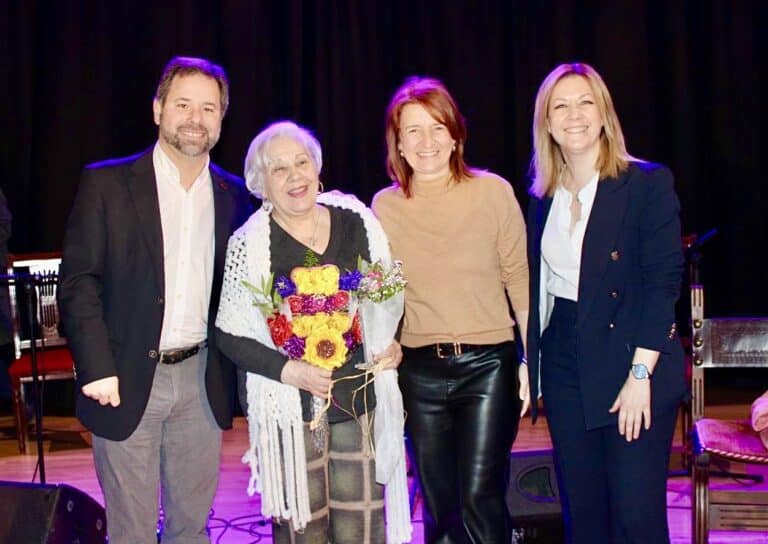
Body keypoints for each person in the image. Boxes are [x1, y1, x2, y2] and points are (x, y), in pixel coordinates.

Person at [58, 56, 252, 543]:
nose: (195, 118)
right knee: (132, 531)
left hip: (201, 382)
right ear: (157, 109)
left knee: (191, 528)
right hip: (123, 377)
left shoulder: (235, 195)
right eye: (183, 104)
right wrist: (97, 366)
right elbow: (79, 282)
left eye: (208, 108)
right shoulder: (106, 184)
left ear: (221, 119)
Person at [215, 121, 411, 544]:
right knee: (304, 530)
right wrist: (290, 371)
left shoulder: (356, 219)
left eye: (301, 162)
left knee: (362, 529)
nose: (294, 176)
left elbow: (386, 295)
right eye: (278, 169)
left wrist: (392, 342)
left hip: (358, 401)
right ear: (261, 185)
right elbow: (230, 334)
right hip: (291, 409)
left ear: (317, 168)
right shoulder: (248, 244)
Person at [525, 62, 686, 543]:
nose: (573, 115)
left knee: (636, 518)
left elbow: (663, 286)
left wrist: (642, 376)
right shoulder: (541, 196)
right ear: (547, 123)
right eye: (561, 106)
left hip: (633, 359)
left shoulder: (645, 184)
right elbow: (543, 290)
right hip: (566, 363)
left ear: (603, 114)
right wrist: (528, 365)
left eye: (585, 102)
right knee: (584, 516)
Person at [372, 77, 530, 544]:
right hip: (419, 373)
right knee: (440, 507)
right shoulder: (383, 207)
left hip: (488, 366)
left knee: (480, 497)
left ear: (456, 135)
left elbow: (518, 279)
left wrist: (529, 361)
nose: (426, 142)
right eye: (413, 131)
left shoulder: (493, 192)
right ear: (398, 143)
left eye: (437, 128)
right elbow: (382, 293)